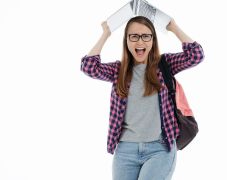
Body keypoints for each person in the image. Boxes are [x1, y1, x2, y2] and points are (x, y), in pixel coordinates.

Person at [80, 16, 204, 180]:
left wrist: (173, 27)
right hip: (125, 151)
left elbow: (196, 55)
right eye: (134, 36)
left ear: (153, 39)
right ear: (127, 41)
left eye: (146, 36)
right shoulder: (118, 70)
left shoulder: (165, 64)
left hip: (160, 149)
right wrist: (106, 33)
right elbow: (89, 67)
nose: (140, 42)